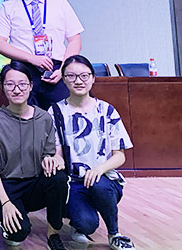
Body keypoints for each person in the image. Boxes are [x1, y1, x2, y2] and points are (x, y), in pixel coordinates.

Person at [49, 55, 136, 250]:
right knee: (87, 224)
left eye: (84, 75)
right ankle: (79, 221)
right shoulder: (55, 111)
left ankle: (114, 233)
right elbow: (57, 151)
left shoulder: (107, 110)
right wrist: (56, 159)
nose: (78, 81)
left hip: (103, 180)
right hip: (74, 182)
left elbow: (120, 155)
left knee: (100, 185)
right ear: (64, 79)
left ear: (93, 78)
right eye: (71, 76)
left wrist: (98, 170)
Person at [0, 60, 69, 250]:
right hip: (8, 186)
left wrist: (53, 160)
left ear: (31, 86)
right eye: (10, 84)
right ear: (2, 87)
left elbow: (50, 153)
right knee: (19, 233)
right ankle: (7, 222)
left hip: (35, 183)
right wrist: (5, 202)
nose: (17, 89)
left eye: (22, 84)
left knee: (59, 178)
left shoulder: (44, 117)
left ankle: (53, 232)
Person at [0, 0, 84, 110]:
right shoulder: (8, 7)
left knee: (62, 114)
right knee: (25, 118)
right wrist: (32, 58)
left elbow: (75, 40)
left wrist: (63, 69)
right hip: (23, 71)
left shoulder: (60, 3)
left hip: (55, 69)